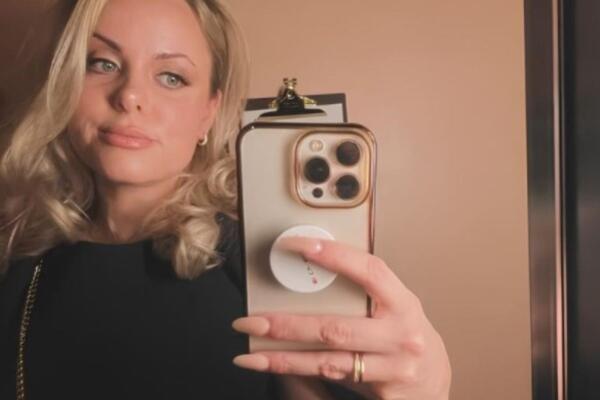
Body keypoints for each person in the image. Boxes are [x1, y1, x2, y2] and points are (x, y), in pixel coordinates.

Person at [0, 0, 451, 399]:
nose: (130, 96)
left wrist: (423, 391)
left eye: (171, 77)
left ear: (208, 113)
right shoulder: (21, 261)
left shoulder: (263, 260)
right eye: (102, 63)